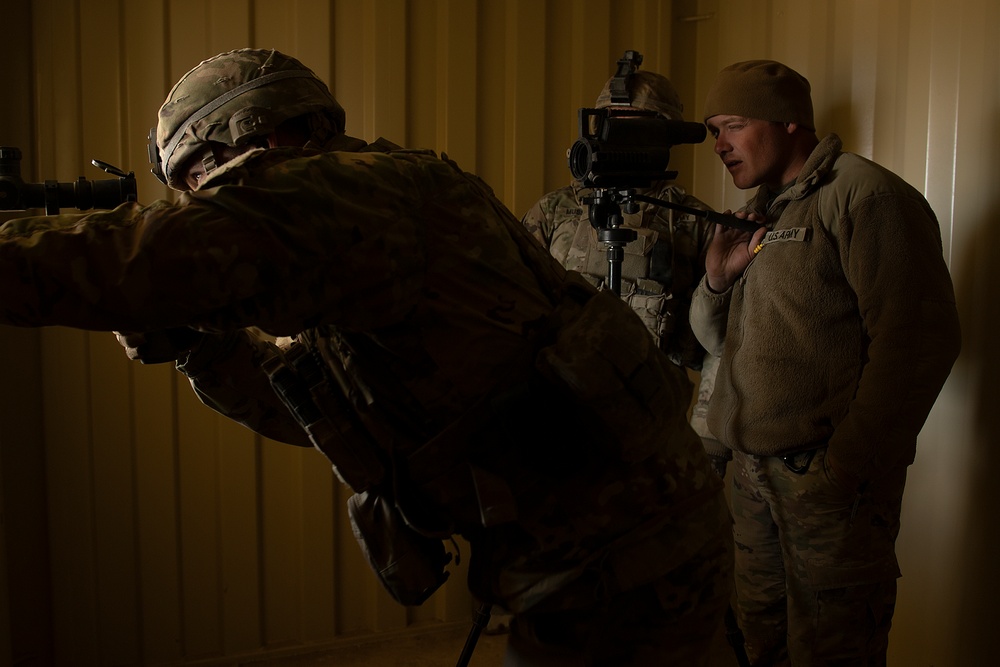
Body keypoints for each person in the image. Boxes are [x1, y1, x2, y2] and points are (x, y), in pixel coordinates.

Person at [0, 48, 732, 665]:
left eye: (202, 182)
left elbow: (139, 260)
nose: (205, 204)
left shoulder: (363, 196)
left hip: (629, 563)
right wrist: (200, 349)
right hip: (573, 560)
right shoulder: (349, 255)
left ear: (252, 142)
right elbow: (321, 418)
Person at [690, 59, 962, 665]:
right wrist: (716, 278)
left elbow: (917, 344)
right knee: (760, 645)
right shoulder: (762, 212)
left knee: (834, 650)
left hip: (826, 483)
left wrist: (847, 463)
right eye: (713, 129)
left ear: (789, 123)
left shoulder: (865, 196)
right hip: (752, 481)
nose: (719, 145)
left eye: (733, 124)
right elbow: (715, 341)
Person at [521, 66, 728, 476]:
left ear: (666, 135)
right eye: (609, 125)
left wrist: (706, 443)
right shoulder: (554, 212)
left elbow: (719, 345)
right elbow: (516, 315)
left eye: (633, 127)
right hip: (562, 424)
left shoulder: (696, 223)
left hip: (655, 431)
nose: (616, 138)